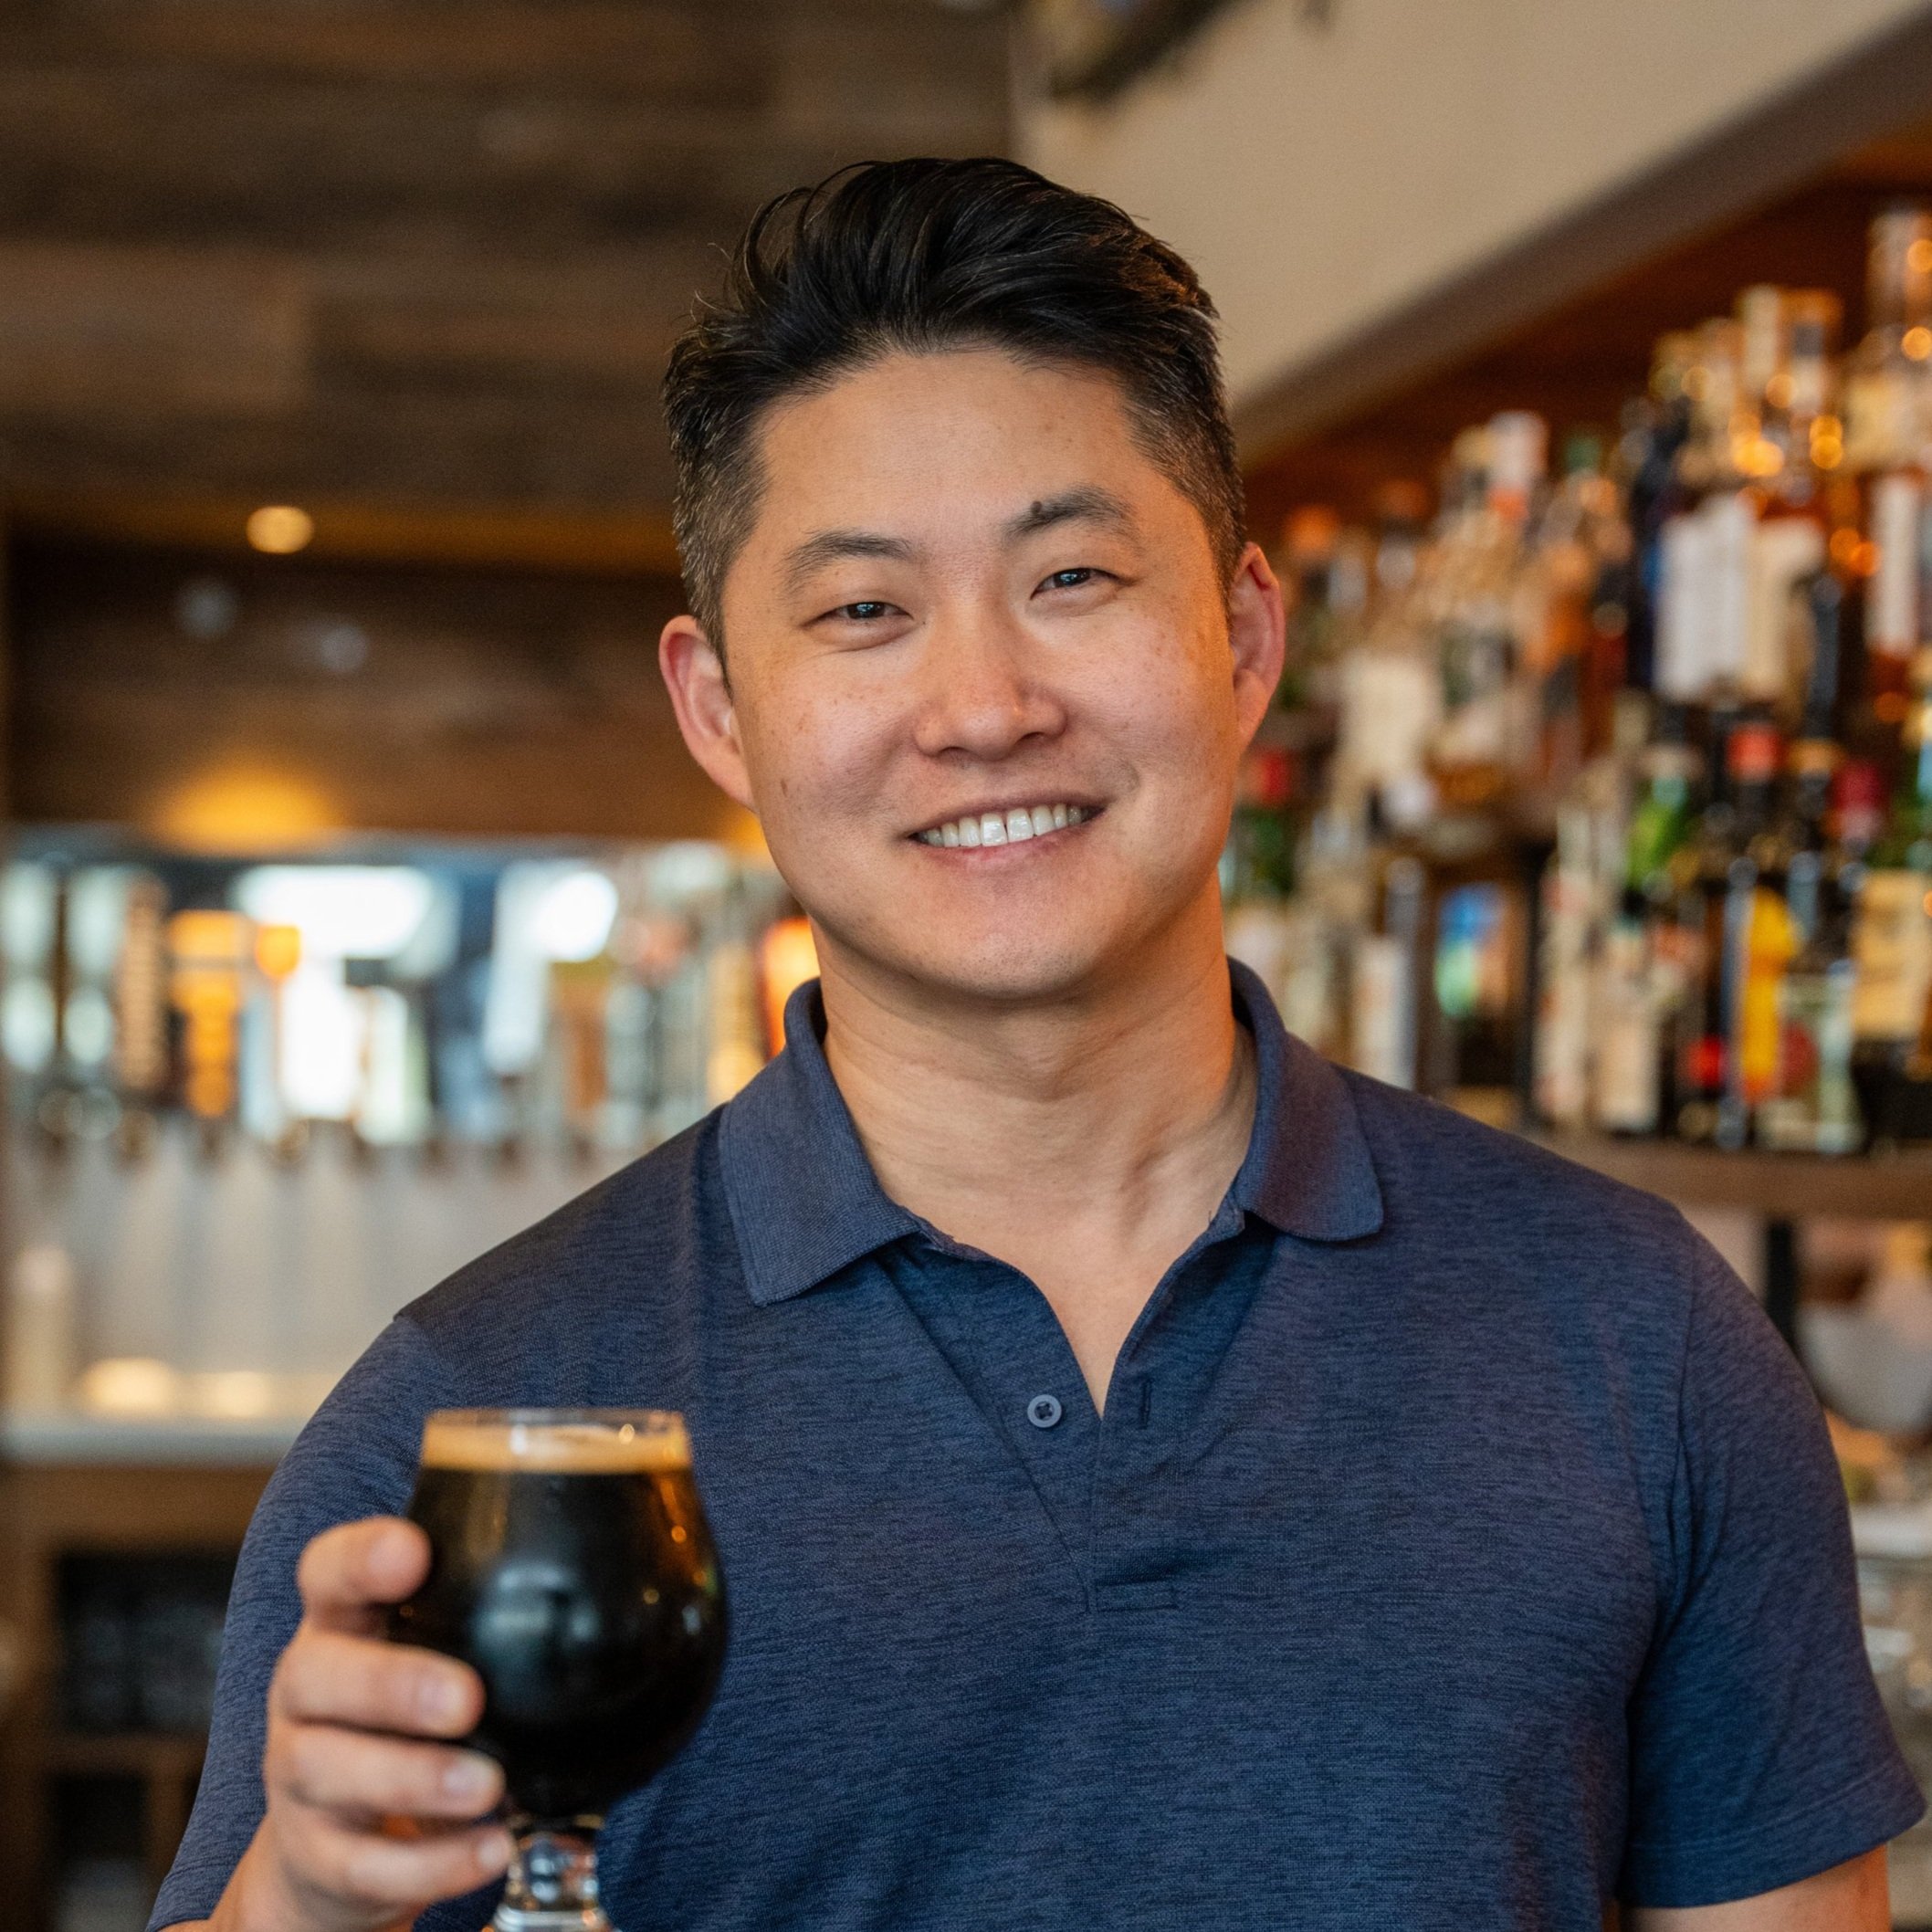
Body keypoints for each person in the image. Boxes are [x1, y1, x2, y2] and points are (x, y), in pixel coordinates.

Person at [157, 159, 1916, 1932]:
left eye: (1069, 575)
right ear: (720, 707)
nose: (986, 706)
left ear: (1236, 639)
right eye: (862, 610)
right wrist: (305, 1897)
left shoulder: (1636, 1330)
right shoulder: (466, 1422)